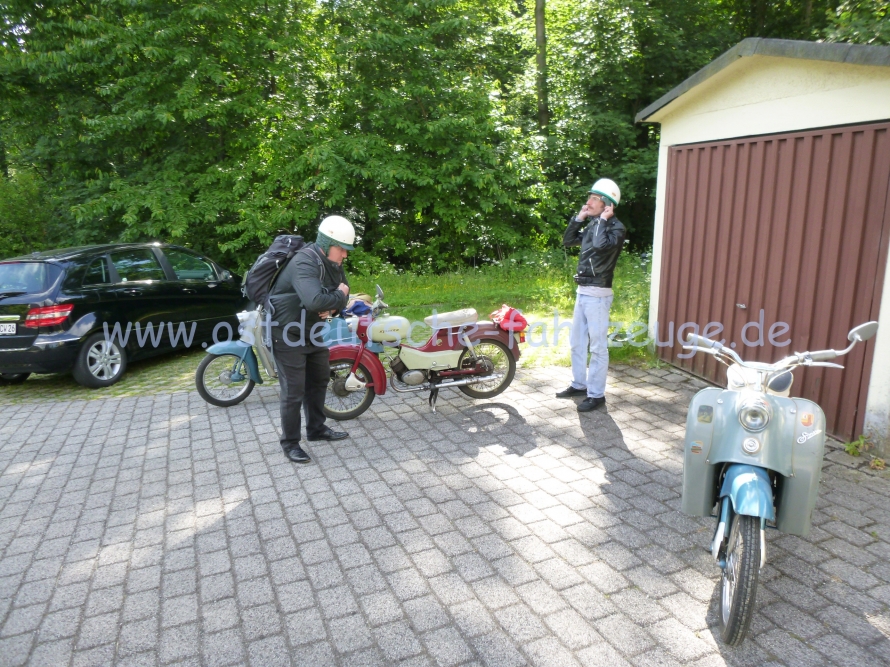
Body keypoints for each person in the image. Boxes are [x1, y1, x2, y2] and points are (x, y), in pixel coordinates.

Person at [267, 215, 354, 463]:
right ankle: (290, 443)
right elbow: (316, 301)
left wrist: (335, 307)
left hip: (312, 330)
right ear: (326, 244)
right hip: (285, 332)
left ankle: (316, 429)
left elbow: (343, 294)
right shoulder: (304, 262)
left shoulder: (333, 263)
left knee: (318, 380)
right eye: (342, 249)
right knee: (294, 390)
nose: (345, 256)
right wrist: (337, 296)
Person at [556, 179, 627, 412]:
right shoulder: (593, 224)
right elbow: (567, 241)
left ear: (606, 203)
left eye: (594, 199)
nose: (588, 202)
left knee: (597, 347)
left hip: (598, 294)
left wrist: (603, 220)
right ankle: (579, 384)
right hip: (582, 291)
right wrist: (579, 219)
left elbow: (598, 245)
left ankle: (596, 395)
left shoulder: (615, 228)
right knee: (577, 342)